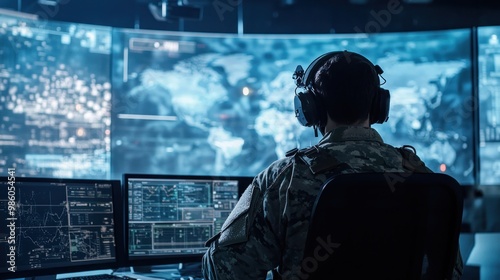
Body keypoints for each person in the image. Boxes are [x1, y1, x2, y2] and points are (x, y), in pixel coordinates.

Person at [201, 50, 463, 279]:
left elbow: (226, 266)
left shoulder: (285, 177)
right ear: (378, 106)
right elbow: (450, 269)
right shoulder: (420, 177)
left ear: (309, 109)